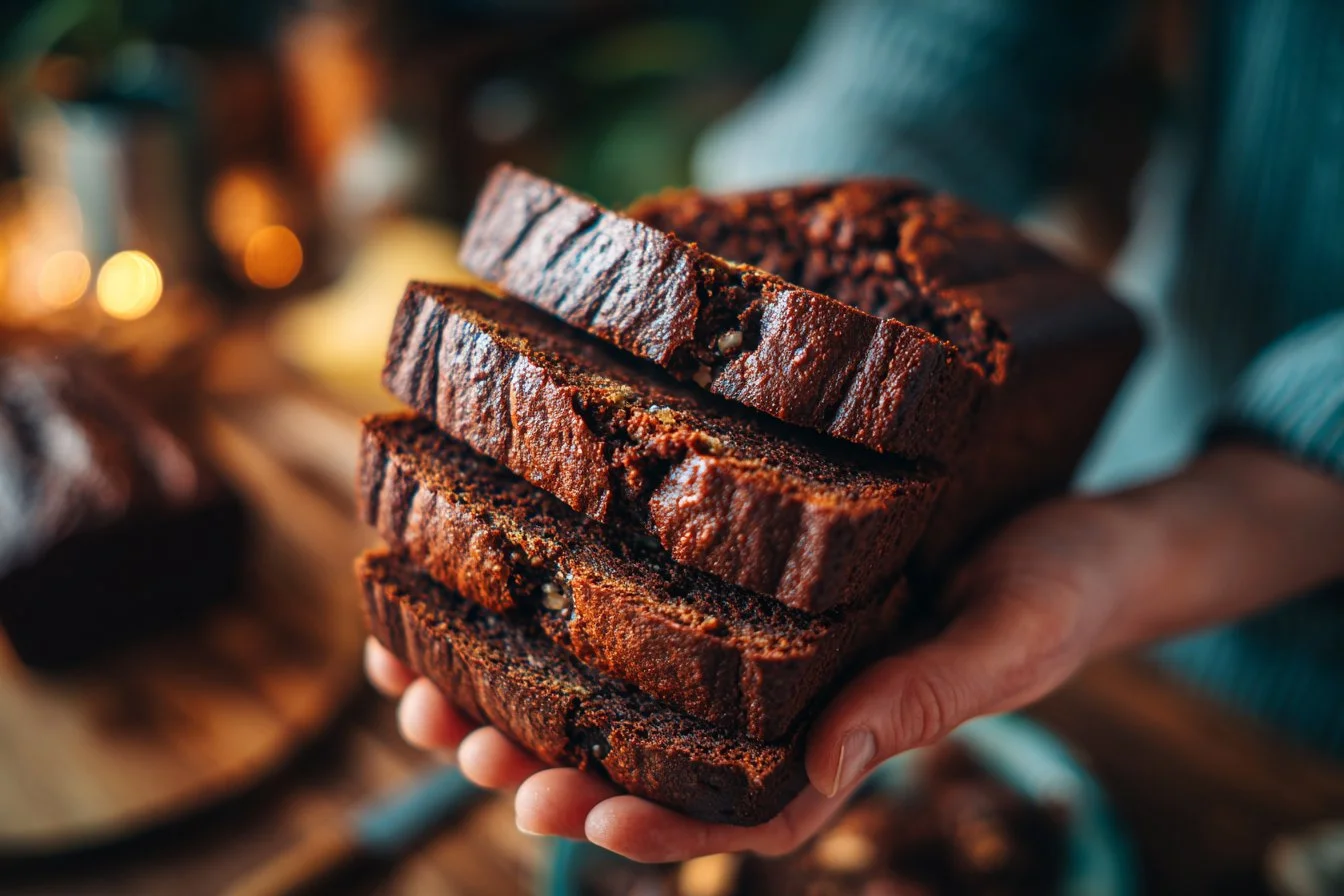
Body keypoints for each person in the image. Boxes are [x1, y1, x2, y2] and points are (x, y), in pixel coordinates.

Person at [367, 0, 1344, 862]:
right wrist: (774, 246)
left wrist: (1217, 508)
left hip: (1256, 629)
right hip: (1149, 481)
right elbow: (951, 32)